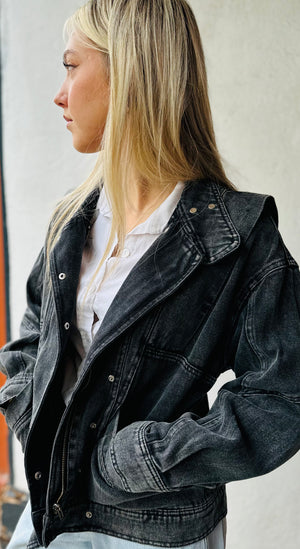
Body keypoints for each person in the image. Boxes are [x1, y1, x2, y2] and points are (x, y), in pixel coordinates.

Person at [1, 0, 300, 547]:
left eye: (71, 66)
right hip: (53, 516)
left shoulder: (238, 238)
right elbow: (32, 333)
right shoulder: (72, 219)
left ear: (128, 75)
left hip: (157, 532)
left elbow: (282, 395)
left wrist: (144, 458)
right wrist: (28, 409)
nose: (59, 92)